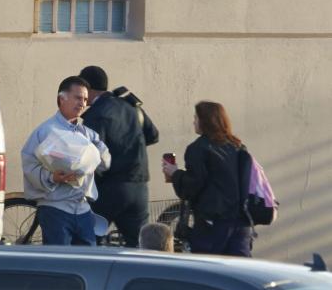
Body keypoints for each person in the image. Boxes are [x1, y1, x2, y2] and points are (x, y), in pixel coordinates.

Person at [21, 76, 111, 246]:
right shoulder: (45, 131)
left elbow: (106, 162)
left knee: (89, 264)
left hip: (83, 209)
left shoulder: (88, 134)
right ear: (61, 98)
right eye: (78, 97)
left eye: (85, 99)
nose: (82, 103)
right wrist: (52, 177)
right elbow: (29, 164)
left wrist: (94, 152)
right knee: (60, 265)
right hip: (55, 209)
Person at [78, 65, 159, 247]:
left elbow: (93, 155)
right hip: (139, 187)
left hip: (110, 188)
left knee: (87, 241)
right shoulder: (132, 107)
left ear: (88, 88)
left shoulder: (96, 115)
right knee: (140, 245)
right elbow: (153, 135)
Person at [162, 101, 252, 256]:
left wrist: (175, 173)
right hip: (241, 221)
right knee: (239, 269)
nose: (193, 122)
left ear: (205, 121)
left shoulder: (198, 148)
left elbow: (193, 186)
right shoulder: (237, 146)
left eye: (196, 118)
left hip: (213, 223)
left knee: (208, 269)